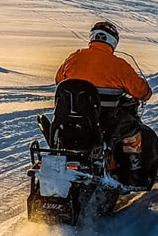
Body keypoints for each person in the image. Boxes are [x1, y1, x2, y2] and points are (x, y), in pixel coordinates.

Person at [55, 21, 152, 177]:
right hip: (104, 120)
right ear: (113, 41)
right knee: (132, 127)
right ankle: (133, 167)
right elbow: (141, 91)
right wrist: (145, 94)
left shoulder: (74, 58)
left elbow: (59, 80)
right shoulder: (119, 65)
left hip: (71, 117)